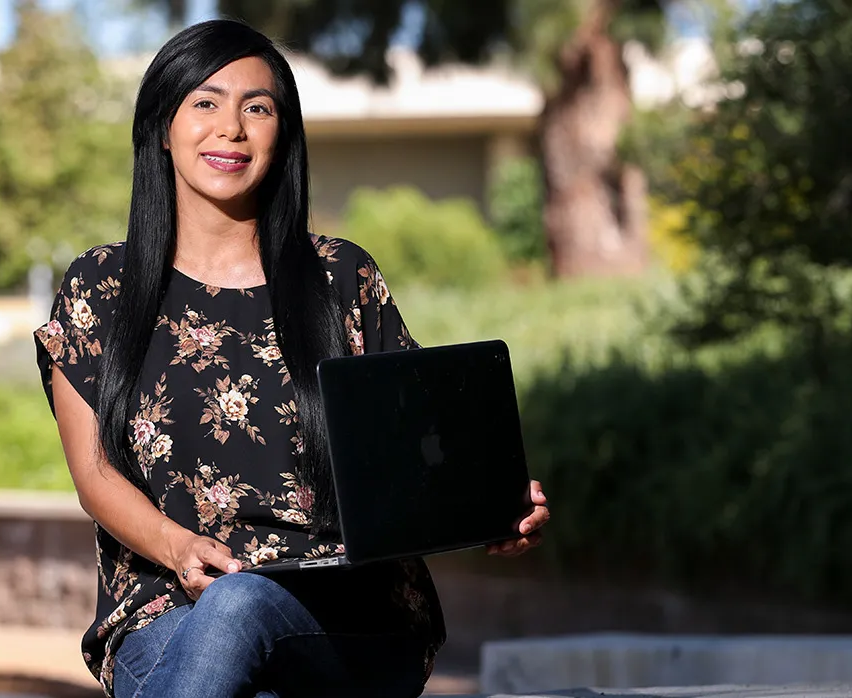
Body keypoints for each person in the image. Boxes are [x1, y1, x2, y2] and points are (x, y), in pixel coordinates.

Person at [34, 18, 551, 698]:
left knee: (242, 604)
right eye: (205, 103)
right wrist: (176, 547)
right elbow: (94, 473)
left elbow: (425, 444)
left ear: (283, 134)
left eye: (258, 108)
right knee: (233, 627)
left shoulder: (341, 277)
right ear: (162, 127)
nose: (232, 129)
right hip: (166, 610)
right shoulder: (101, 286)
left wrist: (493, 504)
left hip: (350, 617)